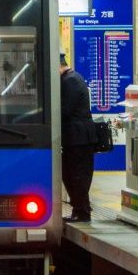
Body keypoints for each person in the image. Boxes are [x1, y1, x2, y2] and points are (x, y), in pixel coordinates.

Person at [58, 53, 97, 222]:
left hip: (79, 138)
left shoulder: (71, 81)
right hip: (74, 138)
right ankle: (80, 209)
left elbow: (65, 110)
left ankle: (82, 212)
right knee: (70, 173)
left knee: (78, 175)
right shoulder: (70, 79)